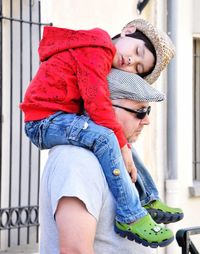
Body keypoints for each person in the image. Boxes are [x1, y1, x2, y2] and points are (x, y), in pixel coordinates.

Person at [20, 19, 181, 247]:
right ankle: (131, 215)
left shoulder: (101, 55)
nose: (131, 61)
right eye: (139, 111)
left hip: (57, 117)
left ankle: (148, 199)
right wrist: (119, 143)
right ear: (128, 30)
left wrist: (123, 146)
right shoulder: (96, 50)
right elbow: (96, 102)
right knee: (108, 138)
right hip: (45, 121)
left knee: (119, 144)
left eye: (137, 68)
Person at [39, 69, 178, 254]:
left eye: (148, 110)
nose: (147, 121)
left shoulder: (114, 155)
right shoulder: (76, 160)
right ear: (103, 107)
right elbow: (75, 250)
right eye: (140, 111)